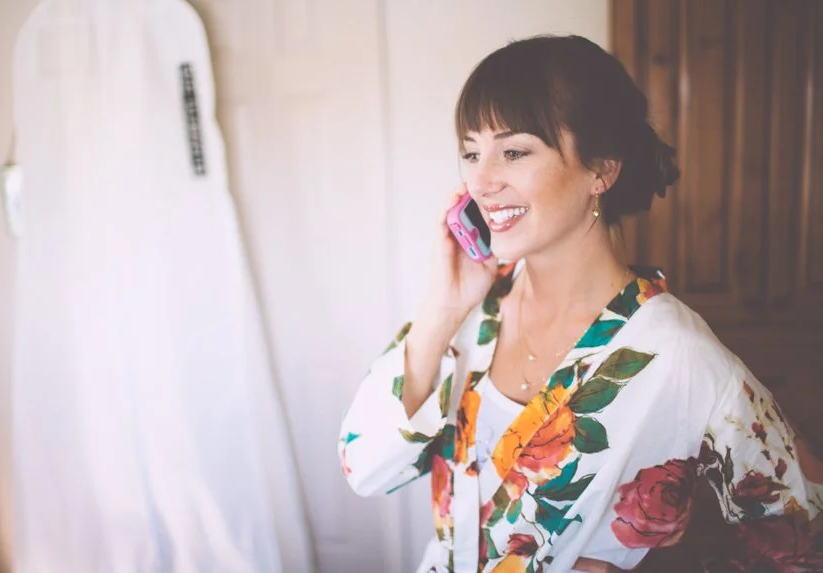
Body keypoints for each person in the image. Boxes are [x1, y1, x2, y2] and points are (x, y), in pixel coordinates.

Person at [337, 34, 823, 573]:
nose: (480, 180)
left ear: (601, 171)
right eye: (471, 153)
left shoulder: (678, 356)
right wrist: (440, 310)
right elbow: (365, 470)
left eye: (514, 151)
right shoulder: (472, 313)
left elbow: (804, 542)